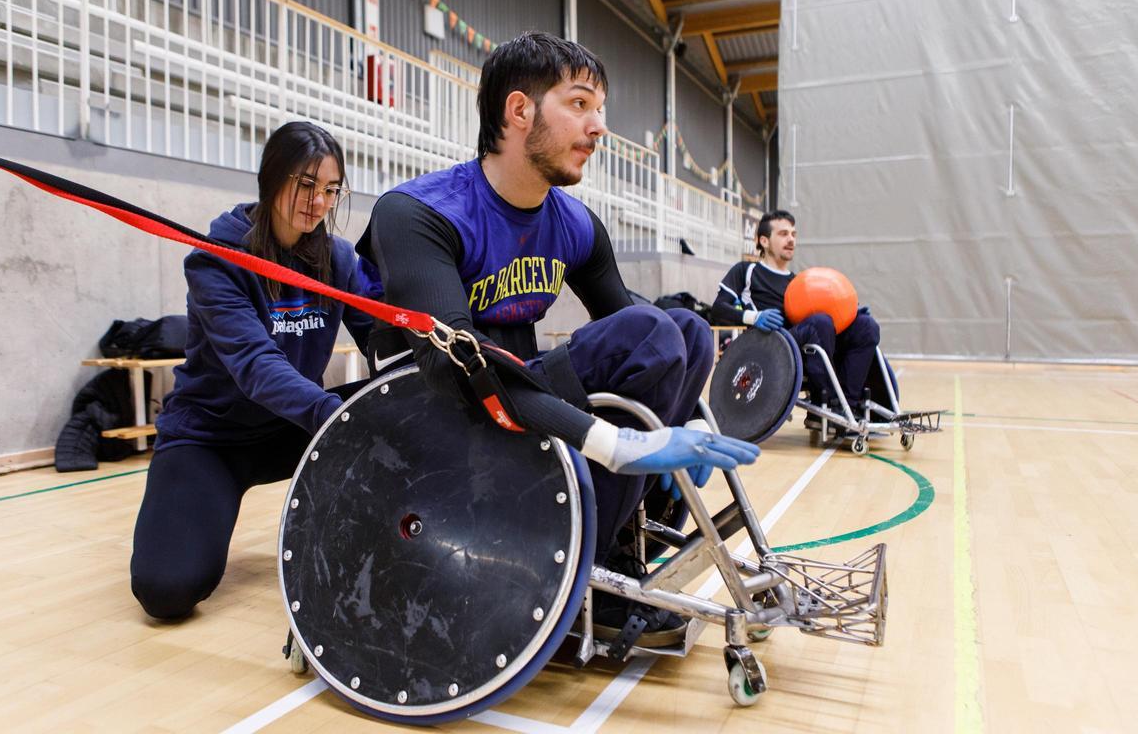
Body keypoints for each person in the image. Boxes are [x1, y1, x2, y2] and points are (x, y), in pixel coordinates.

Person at [356, 32, 759, 651]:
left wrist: (688, 418)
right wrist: (617, 443)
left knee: (687, 331)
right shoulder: (418, 212)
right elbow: (459, 373)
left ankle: (616, 546)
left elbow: (644, 337)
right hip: (438, 415)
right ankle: (570, 581)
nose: (598, 127)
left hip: (523, 390)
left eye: (600, 109)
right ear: (519, 111)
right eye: (579, 104)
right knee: (656, 331)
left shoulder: (574, 223)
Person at [130, 122, 372, 620]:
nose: (319, 202)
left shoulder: (338, 261)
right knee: (165, 591)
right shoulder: (216, 262)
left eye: (330, 190)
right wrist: (334, 415)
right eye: (306, 185)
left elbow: (381, 337)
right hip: (211, 438)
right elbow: (257, 367)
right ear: (271, 178)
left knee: (396, 407)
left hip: (291, 430)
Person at [711, 210, 881, 421]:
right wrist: (754, 317)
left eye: (793, 234)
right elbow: (717, 310)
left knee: (865, 326)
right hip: (768, 347)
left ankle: (848, 406)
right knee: (821, 323)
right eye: (783, 234)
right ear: (764, 240)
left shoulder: (800, 281)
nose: (791, 239)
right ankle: (828, 402)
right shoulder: (746, 271)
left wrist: (849, 316)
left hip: (801, 343)